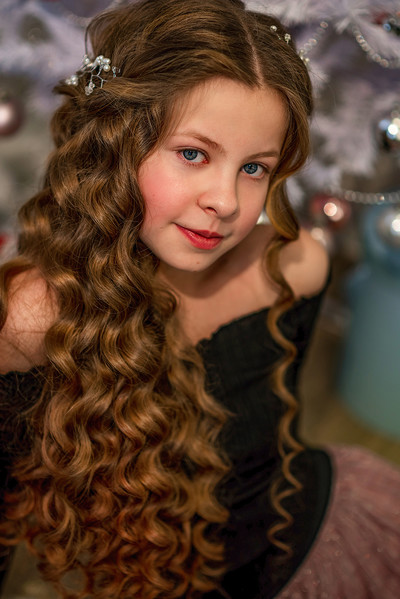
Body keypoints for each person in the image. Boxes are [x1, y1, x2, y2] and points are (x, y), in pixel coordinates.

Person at [0, 0, 399, 597]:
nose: (227, 202)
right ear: (115, 146)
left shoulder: (293, 268)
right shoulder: (35, 318)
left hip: (313, 541)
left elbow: (276, 442)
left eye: (255, 168)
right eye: (193, 154)